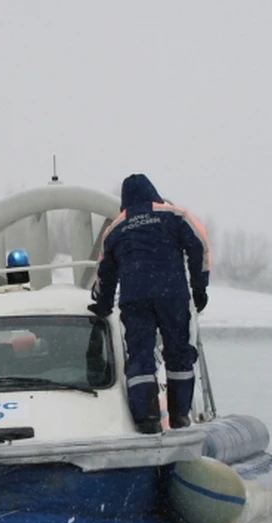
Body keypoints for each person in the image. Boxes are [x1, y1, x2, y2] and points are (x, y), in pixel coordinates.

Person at [89, 173, 211, 433]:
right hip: (172, 295)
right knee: (178, 353)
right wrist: (199, 287)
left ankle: (147, 418)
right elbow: (198, 245)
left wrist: (103, 304)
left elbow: (105, 271)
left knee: (140, 356)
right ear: (153, 191)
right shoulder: (175, 216)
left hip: (135, 299)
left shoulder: (116, 229)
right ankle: (179, 415)